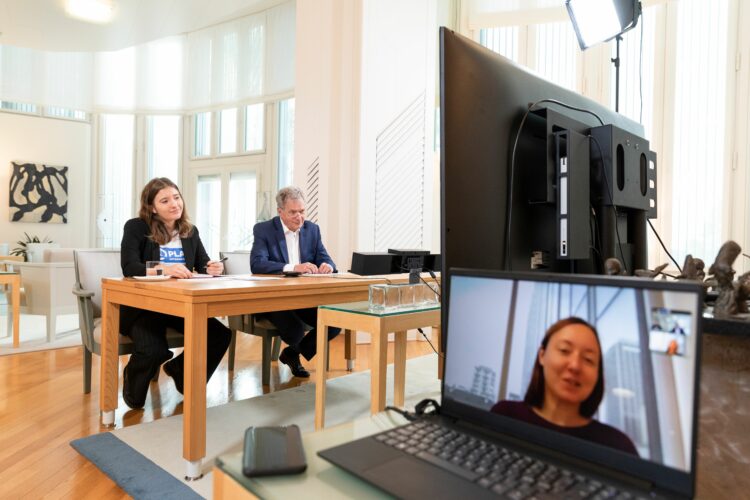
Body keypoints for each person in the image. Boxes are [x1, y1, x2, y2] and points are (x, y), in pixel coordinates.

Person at [120, 177, 231, 409]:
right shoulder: (136, 227)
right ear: (152, 207)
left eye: (176, 197)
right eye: (165, 200)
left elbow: (202, 264)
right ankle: (132, 381)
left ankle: (179, 370)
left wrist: (213, 267)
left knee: (220, 335)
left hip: (178, 305)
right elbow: (130, 267)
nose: (174, 204)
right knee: (154, 350)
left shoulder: (189, 231)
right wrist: (165, 268)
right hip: (144, 307)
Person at [491, 317, 638, 456]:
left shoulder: (617, 446)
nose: (575, 366)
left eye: (588, 359)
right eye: (564, 350)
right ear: (542, 355)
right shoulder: (506, 415)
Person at [250, 186, 340, 378]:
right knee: (295, 329)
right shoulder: (264, 229)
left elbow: (327, 259)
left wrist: (328, 266)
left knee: (335, 321)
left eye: (302, 211)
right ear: (280, 212)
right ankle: (295, 355)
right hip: (272, 299)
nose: (299, 217)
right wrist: (292, 267)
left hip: (303, 298)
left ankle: (292, 353)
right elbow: (257, 264)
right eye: (293, 212)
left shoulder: (312, 230)